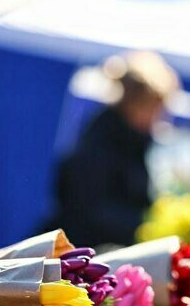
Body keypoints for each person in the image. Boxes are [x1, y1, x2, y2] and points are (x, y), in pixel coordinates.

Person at [50, 51, 180, 247]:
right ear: (135, 103)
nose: (160, 116)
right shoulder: (99, 145)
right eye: (155, 108)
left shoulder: (137, 143)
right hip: (81, 258)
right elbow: (91, 212)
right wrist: (146, 226)